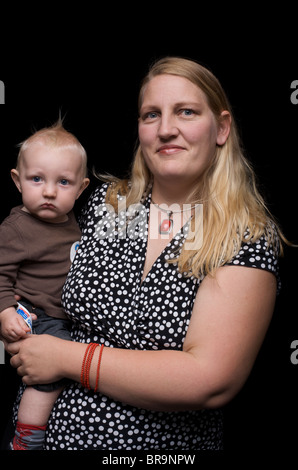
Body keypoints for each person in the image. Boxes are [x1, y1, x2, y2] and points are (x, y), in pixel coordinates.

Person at [4, 57, 288, 450]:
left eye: (186, 112)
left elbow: (209, 381)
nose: (166, 129)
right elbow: (26, 256)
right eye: (151, 115)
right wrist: (13, 313)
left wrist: (64, 357)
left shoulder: (247, 236)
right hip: (41, 437)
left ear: (221, 128)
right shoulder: (105, 203)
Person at [0, 121, 90, 449]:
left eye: (63, 182)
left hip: (63, 316)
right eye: (37, 179)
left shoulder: (70, 222)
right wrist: (5, 311)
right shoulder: (16, 228)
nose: (49, 191)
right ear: (17, 180)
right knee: (49, 381)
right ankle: (27, 438)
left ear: (81, 189)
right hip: (38, 316)